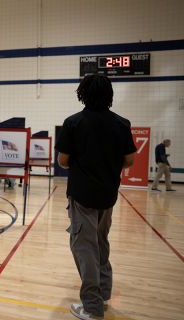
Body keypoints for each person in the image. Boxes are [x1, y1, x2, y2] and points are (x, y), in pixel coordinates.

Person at [55, 74, 136, 320]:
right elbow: (129, 160)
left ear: (82, 94)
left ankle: (92, 307)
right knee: (101, 243)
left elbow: (63, 161)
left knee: (85, 248)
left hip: (82, 196)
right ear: (109, 94)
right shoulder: (122, 124)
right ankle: (104, 291)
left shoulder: (73, 123)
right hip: (108, 195)